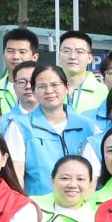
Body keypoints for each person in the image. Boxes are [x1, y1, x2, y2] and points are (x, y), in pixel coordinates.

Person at [11, 66, 99, 196]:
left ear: (66, 87)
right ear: (33, 91)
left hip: (82, 203)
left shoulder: (88, 126)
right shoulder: (20, 126)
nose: (49, 91)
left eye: (55, 85)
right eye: (42, 86)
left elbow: (96, 173)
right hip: (38, 203)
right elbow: (16, 173)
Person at [0, 29, 40, 115]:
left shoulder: (48, 89)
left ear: (35, 57)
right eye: (10, 51)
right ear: (3, 54)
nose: (15, 57)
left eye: (22, 52)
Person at [57, 30, 110, 117]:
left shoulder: (105, 92)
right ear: (59, 56)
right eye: (66, 51)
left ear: (90, 58)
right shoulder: (49, 90)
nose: (72, 56)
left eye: (79, 51)